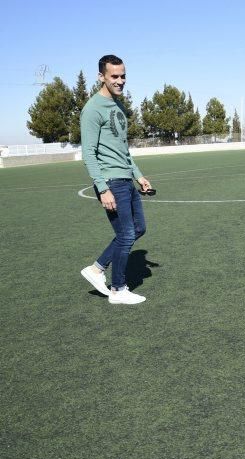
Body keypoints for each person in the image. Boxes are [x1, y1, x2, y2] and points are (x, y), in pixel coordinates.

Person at [79, 54, 152, 305]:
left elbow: (123, 149)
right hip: (111, 182)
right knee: (126, 234)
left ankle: (97, 269)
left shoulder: (120, 107)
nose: (120, 81)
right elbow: (88, 153)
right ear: (102, 77)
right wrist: (102, 188)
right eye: (114, 76)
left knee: (138, 228)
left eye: (123, 76)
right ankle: (118, 289)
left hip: (125, 179)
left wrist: (139, 176)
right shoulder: (92, 109)